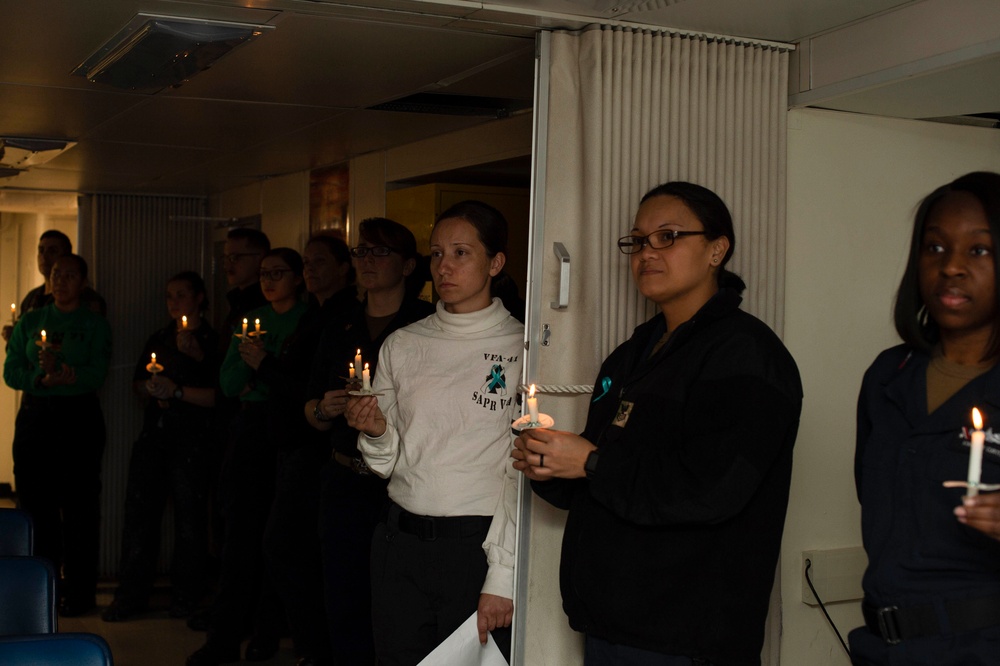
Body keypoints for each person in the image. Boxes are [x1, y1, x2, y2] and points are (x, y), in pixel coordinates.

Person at [513, 182, 802, 666]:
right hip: (613, 618)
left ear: (717, 249)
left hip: (687, 631)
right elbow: (602, 468)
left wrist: (590, 463)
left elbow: (712, 489)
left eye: (667, 237)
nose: (647, 252)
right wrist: (549, 464)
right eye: (638, 240)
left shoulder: (745, 355)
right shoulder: (633, 353)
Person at [346, 201, 524, 665]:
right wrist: (377, 431)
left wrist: (502, 576)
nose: (444, 266)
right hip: (399, 544)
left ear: (496, 262)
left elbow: (519, 471)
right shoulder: (405, 343)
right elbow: (386, 463)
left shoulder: (521, 347)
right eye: (436, 253)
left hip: (476, 548)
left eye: (461, 253)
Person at [850, 171, 1000, 665]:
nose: (952, 267)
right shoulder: (888, 377)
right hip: (884, 646)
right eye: (935, 248)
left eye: (978, 251)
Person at [305, 218, 433, 664]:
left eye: (380, 252)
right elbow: (310, 412)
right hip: (344, 477)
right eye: (362, 252)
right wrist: (325, 408)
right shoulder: (339, 324)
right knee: (343, 595)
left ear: (408, 264)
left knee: (397, 603)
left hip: (396, 485)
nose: (368, 261)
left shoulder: (425, 326)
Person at [188, 248, 307, 666]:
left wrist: (262, 368)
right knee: (239, 539)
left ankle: (267, 633)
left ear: (298, 277)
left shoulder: (306, 318)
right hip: (250, 430)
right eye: (264, 274)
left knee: (278, 541)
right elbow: (229, 383)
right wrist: (252, 367)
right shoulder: (250, 319)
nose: (269, 280)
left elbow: (293, 386)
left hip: (290, 434)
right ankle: (222, 638)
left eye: (279, 273)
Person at [260, 235, 359, 666]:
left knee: (293, 549)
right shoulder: (312, 315)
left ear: (343, 268)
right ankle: (309, 645)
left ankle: (317, 649)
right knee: (288, 549)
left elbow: (311, 388)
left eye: (320, 262)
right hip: (295, 443)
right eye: (306, 263)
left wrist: (262, 367)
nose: (310, 270)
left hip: (318, 450)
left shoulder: (341, 318)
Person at [103, 271, 220, 622]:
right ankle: (131, 596)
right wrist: (150, 389)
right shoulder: (160, 337)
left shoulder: (213, 341)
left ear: (199, 298)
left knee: (190, 523)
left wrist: (181, 386)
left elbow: (221, 396)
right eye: (169, 296)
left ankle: (186, 596)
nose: (174, 302)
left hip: (192, 442)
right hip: (154, 437)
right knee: (139, 518)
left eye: (182, 295)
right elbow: (138, 383)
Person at [3, 253, 112, 617]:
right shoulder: (32, 321)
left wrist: (70, 375)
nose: (61, 281)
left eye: (70, 275)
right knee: (37, 507)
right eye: (55, 275)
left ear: (83, 282)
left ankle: (80, 593)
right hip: (38, 416)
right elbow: (12, 368)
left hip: (78, 418)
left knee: (80, 508)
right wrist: (39, 379)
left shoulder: (94, 323)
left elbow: (99, 370)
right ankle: (41, 589)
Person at [2, 230, 106, 342]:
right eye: (41, 250)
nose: (44, 256)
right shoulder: (32, 297)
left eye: (52, 251)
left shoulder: (84, 297)